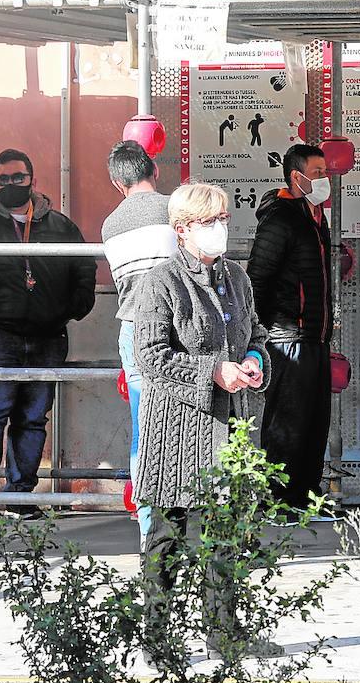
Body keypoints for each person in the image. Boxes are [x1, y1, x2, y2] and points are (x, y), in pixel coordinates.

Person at [133, 182, 278, 658]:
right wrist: (212, 371)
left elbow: (253, 330)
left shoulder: (237, 277)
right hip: (178, 426)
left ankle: (224, 632)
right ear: (182, 229)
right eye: (209, 221)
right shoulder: (162, 282)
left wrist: (254, 359)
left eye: (223, 218)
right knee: (168, 536)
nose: (220, 228)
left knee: (226, 535)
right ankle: (156, 638)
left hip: (228, 426)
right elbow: (151, 356)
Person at [0, 149, 97, 524]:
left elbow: (84, 268)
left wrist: (71, 308)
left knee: (33, 419)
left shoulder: (60, 226)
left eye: (18, 178)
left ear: (33, 180)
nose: (11, 185)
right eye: (4, 179)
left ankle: (20, 498)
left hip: (46, 337)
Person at [247, 144, 334, 522]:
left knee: (315, 422)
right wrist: (266, 332)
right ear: (295, 176)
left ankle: (307, 498)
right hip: (287, 338)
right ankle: (276, 502)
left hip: (315, 336)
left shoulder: (315, 217)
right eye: (317, 172)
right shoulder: (280, 218)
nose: (324, 179)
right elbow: (257, 279)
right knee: (287, 422)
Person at [101, 140, 178, 544]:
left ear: (118, 183)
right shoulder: (176, 210)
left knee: (143, 431)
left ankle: (151, 527)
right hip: (180, 327)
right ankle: (197, 520)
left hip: (133, 330)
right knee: (196, 423)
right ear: (156, 170)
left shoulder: (109, 226)